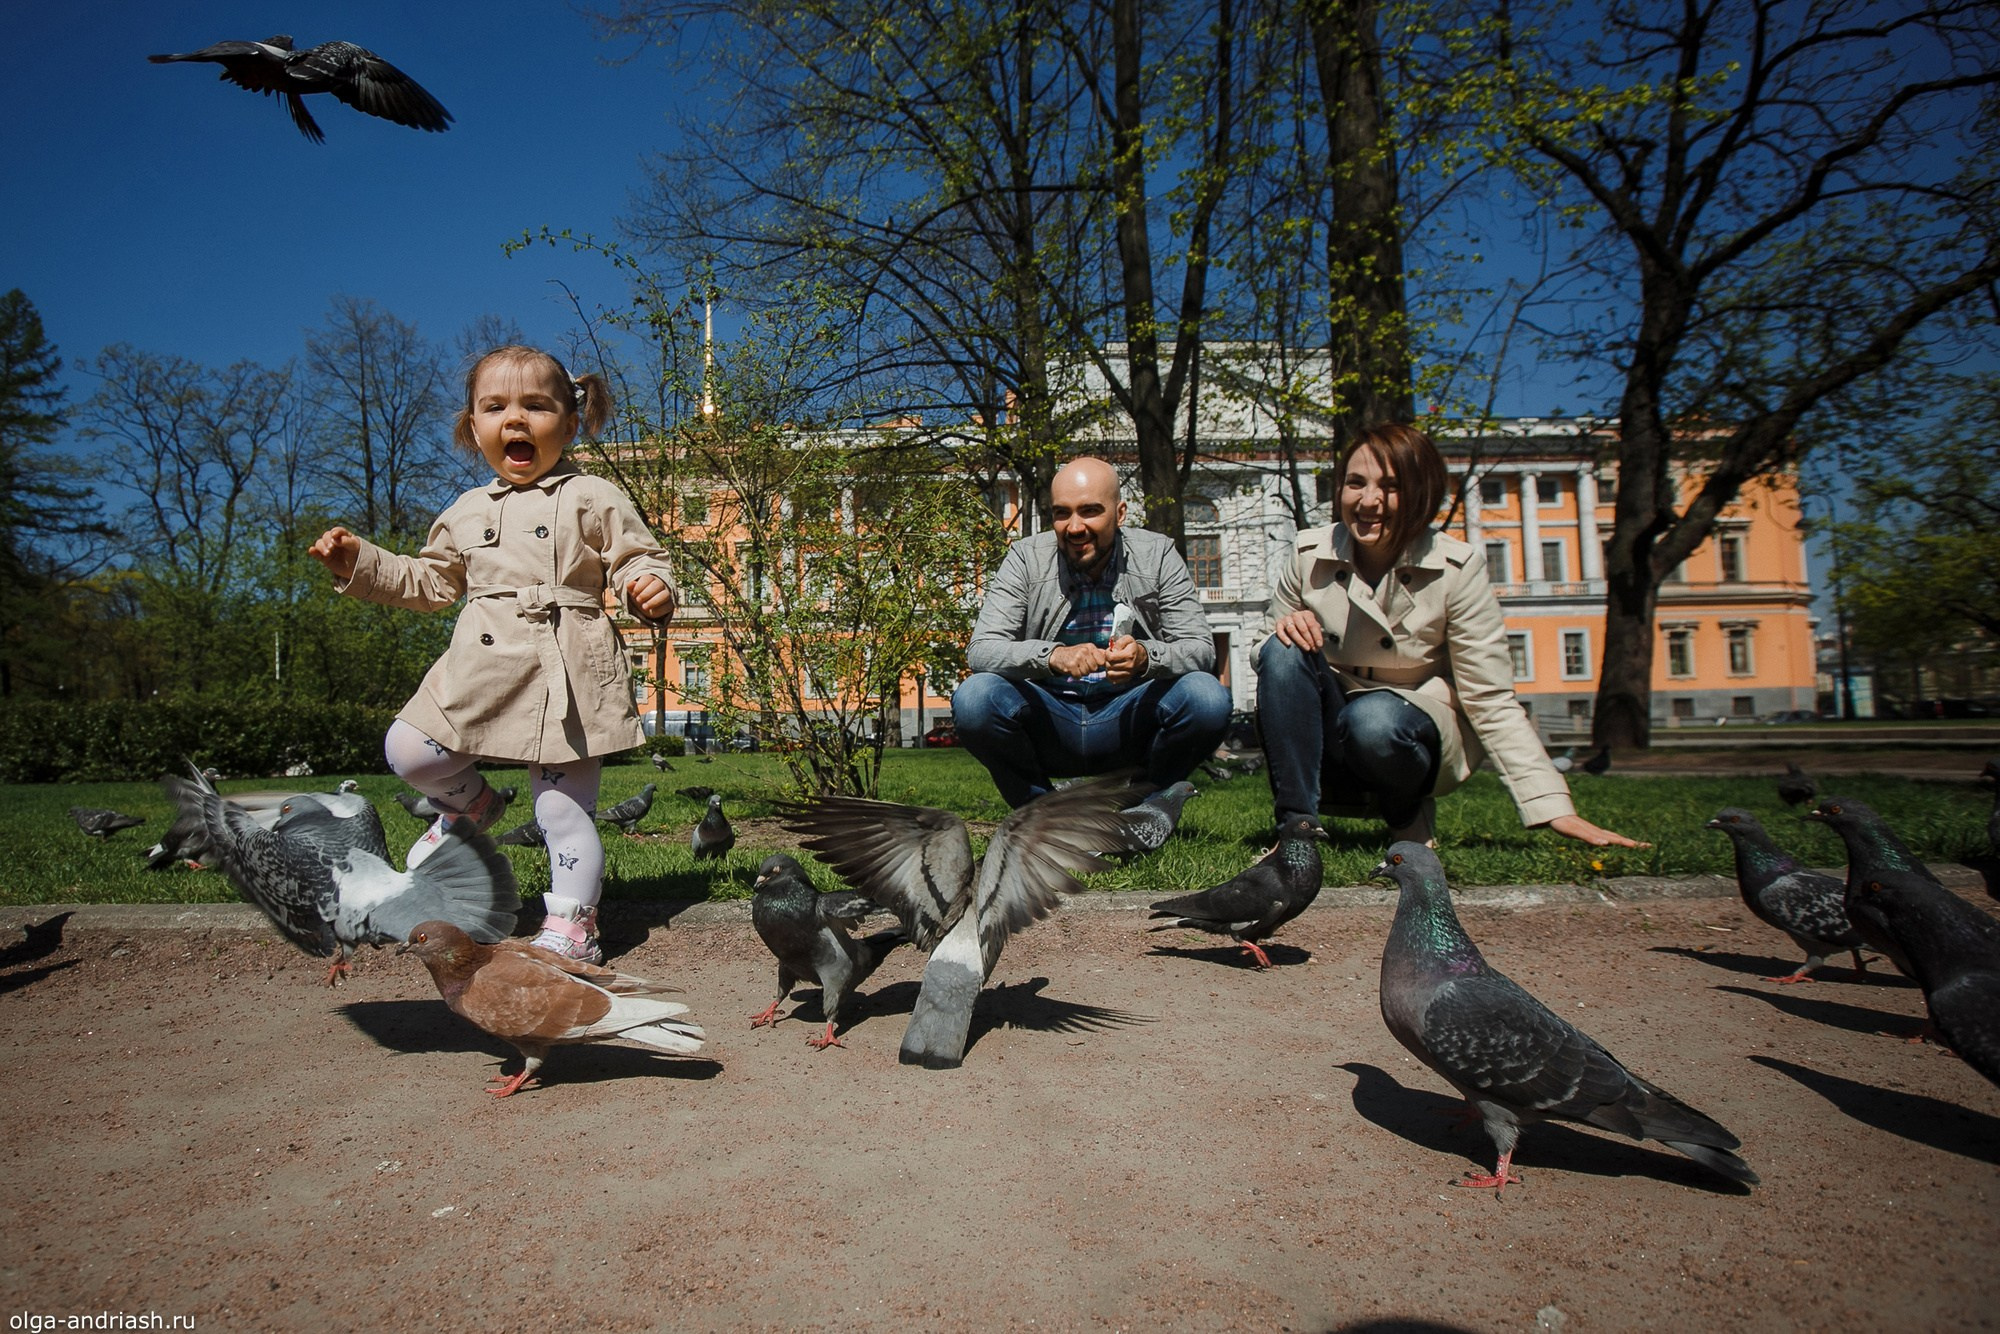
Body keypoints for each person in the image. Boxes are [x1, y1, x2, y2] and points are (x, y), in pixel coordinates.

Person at [308, 344, 679, 964]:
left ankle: (572, 926)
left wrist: (650, 586)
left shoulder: (592, 495)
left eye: (536, 405)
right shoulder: (464, 511)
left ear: (570, 421)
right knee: (408, 748)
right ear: (471, 426)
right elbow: (430, 584)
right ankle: (473, 802)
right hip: (481, 665)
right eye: (495, 407)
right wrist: (360, 563)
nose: (515, 419)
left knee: (561, 812)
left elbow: (639, 556)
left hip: (566, 668)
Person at [1256, 422, 1644, 849]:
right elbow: (1266, 653)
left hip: (1409, 719)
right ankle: (1294, 834)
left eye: (1391, 486)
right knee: (1283, 649)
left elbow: (1489, 696)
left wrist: (1552, 805)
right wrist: (1283, 628)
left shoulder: (1457, 568)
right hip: (1329, 713)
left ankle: (1406, 813)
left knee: (1374, 719)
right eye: (1355, 483)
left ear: (1422, 492)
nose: (1368, 501)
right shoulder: (1310, 552)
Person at [953, 456, 1232, 815]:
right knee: (975, 697)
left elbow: (1200, 650)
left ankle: (1146, 809)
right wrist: (1052, 657)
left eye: (1090, 511)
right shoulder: (1025, 558)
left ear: (1120, 513)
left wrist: (1145, 658)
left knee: (1206, 697)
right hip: (1052, 720)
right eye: (1062, 513)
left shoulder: (1158, 554)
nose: (1074, 527)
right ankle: (1043, 815)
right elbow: (982, 650)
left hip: (1129, 716)